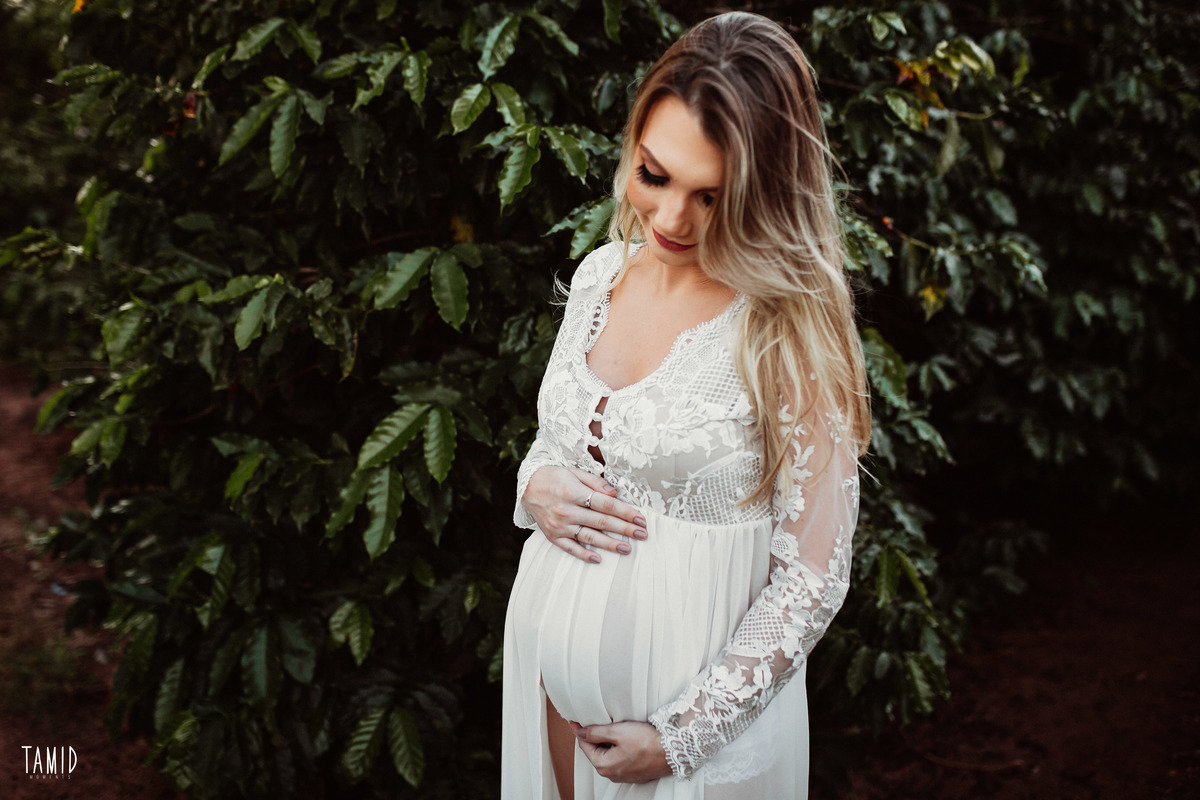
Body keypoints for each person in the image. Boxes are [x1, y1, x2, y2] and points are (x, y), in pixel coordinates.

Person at [501, 11, 871, 799]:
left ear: (766, 191)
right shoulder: (602, 276)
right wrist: (535, 486)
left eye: (712, 196)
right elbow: (564, 446)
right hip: (544, 701)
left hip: (691, 750)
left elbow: (813, 577)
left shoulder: (785, 329)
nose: (672, 220)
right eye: (655, 175)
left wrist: (681, 737)